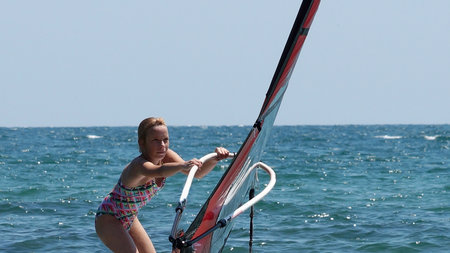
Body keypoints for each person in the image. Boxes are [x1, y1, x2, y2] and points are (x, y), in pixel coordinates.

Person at [95, 117, 230, 253]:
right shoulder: (138, 165)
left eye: (165, 140)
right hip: (109, 217)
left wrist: (216, 158)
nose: (162, 145)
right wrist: (182, 164)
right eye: (156, 140)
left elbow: (197, 173)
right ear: (142, 143)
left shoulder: (165, 155)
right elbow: (159, 171)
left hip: (130, 216)